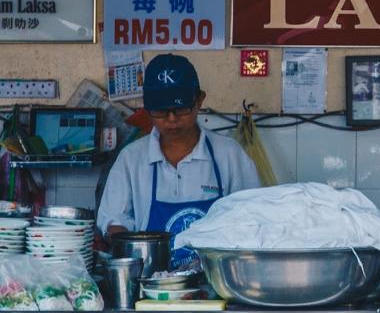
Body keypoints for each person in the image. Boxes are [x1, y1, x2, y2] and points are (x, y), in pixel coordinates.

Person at [96, 53, 260, 266]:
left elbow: (252, 218)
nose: (171, 119)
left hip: (216, 279)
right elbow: (113, 219)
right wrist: (122, 239)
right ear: (147, 108)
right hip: (150, 281)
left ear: (199, 100)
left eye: (181, 108)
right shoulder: (131, 159)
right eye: (161, 111)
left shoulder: (229, 154)